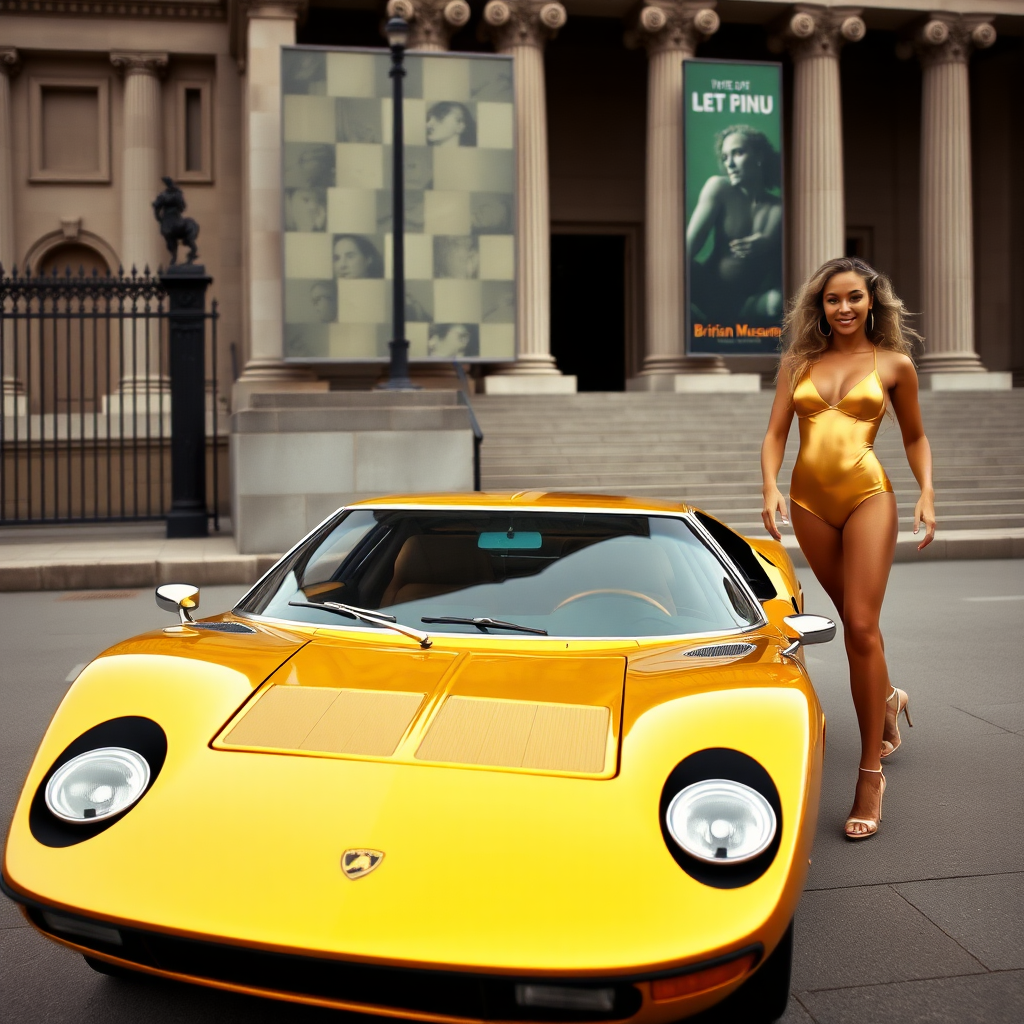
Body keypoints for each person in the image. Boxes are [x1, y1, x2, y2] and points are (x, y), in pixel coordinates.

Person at [760, 256, 935, 841]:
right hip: (810, 505)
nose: (843, 308)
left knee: (861, 626)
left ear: (871, 302)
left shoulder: (893, 364)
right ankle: (886, 696)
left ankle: (868, 774)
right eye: (833, 299)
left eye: (854, 298)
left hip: (868, 497)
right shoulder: (798, 364)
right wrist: (769, 487)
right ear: (821, 306)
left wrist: (926, 494)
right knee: (853, 622)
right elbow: (776, 433)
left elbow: (913, 435)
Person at [686, 126, 782, 323]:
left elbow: (786, 269)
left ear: (759, 156)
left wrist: (770, 245)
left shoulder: (780, 208)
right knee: (677, 264)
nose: (729, 164)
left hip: (749, 302)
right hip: (709, 291)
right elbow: (686, 250)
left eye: (738, 153)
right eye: (724, 157)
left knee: (778, 301)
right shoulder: (719, 188)